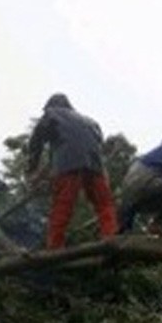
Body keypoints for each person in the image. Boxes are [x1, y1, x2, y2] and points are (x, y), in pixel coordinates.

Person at [27, 93, 118, 249]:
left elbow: (35, 144)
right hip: (94, 165)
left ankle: (54, 247)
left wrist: (32, 172)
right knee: (104, 204)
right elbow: (90, 146)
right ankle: (110, 237)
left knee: (63, 205)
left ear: (50, 106)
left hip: (68, 163)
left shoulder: (51, 114)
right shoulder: (90, 122)